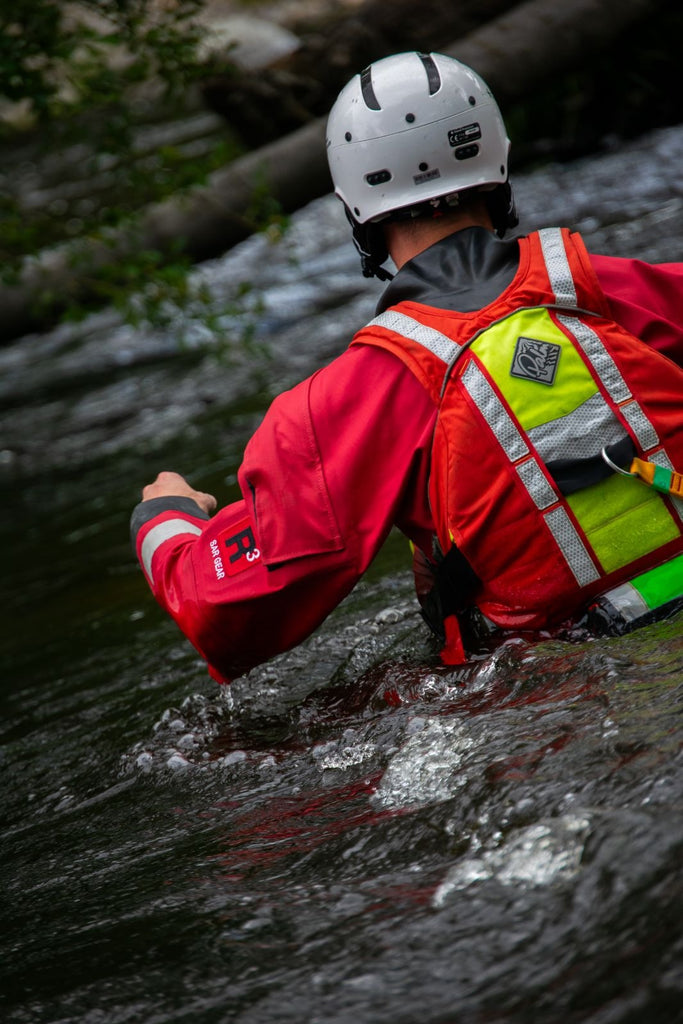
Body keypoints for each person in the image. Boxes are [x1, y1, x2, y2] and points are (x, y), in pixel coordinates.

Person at [131, 51, 683, 683]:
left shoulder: (341, 404)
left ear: (356, 210)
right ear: (497, 168)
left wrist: (167, 523)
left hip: (573, 690)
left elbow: (228, 620)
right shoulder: (616, 291)